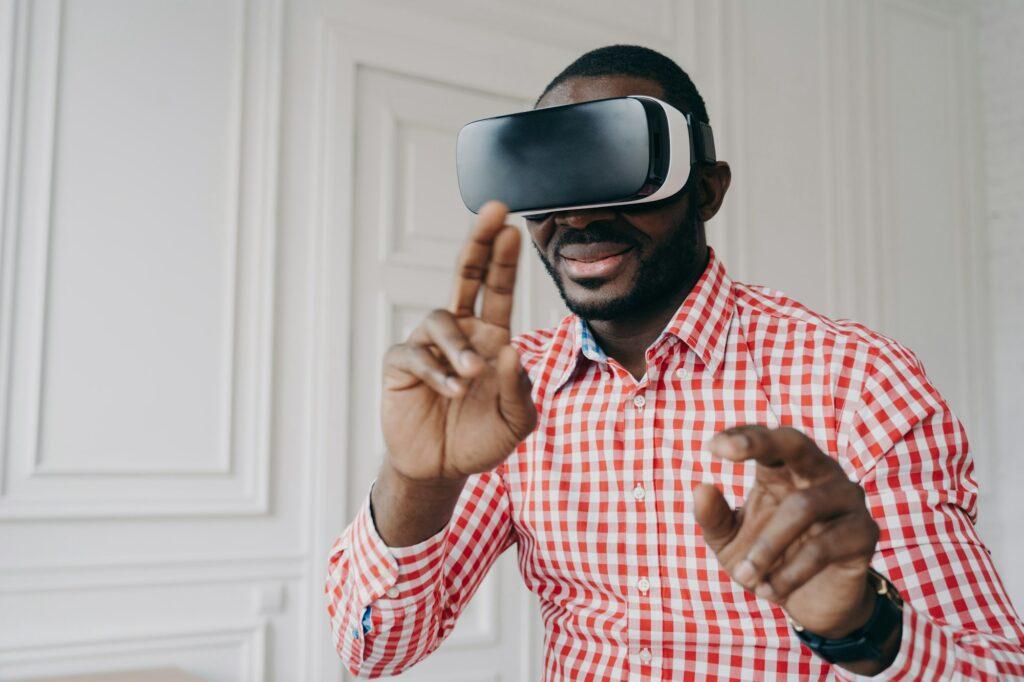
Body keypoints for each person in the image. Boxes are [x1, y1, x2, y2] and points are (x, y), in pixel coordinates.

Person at [325, 45, 1024, 680]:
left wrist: (861, 629)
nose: (577, 215)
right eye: (553, 179)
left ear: (708, 190)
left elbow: (996, 668)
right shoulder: (504, 392)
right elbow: (373, 650)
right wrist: (416, 479)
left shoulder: (859, 383)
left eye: (619, 167)